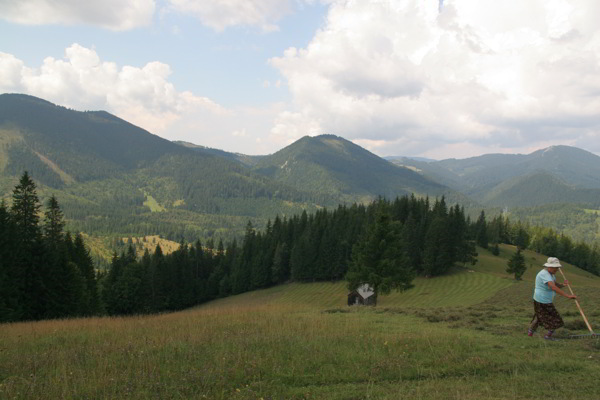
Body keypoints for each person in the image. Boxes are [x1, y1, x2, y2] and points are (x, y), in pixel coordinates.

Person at [528, 257, 577, 340]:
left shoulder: (550, 274)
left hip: (542, 299)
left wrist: (563, 285)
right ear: (549, 267)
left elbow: (554, 283)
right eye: (555, 268)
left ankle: (530, 334)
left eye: (557, 268)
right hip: (543, 301)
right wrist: (568, 296)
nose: (557, 270)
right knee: (556, 319)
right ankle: (547, 336)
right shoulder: (544, 274)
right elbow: (553, 287)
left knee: (539, 317)